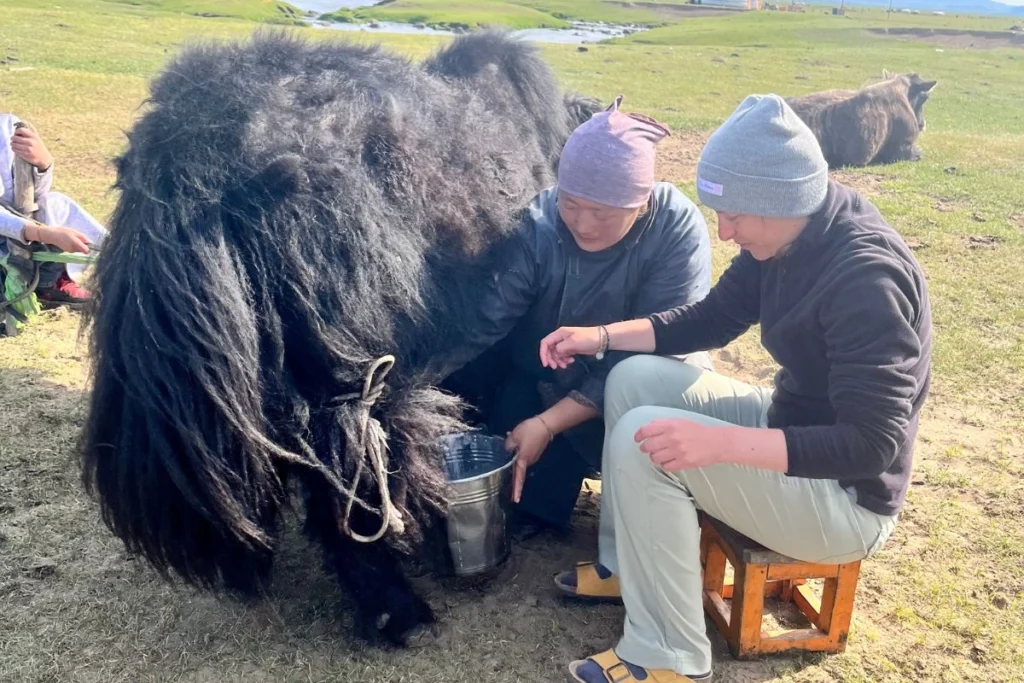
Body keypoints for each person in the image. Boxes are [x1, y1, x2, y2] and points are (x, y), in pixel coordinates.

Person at [538, 94, 932, 682]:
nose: (724, 233)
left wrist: (715, 445)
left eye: (736, 216)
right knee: (632, 378)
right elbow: (708, 319)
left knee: (643, 446)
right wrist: (599, 338)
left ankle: (669, 656)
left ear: (783, 198)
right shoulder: (788, 234)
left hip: (846, 501)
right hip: (789, 429)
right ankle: (628, 568)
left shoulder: (865, 281)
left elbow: (869, 445)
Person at [442, 96, 714, 534]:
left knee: (640, 393)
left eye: (602, 213)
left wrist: (549, 425)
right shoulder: (537, 223)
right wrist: (416, 377)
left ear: (641, 202)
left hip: (635, 380)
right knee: (522, 502)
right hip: (542, 375)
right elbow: (485, 322)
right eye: (570, 205)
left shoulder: (675, 230)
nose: (583, 225)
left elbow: (664, 342)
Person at [0, 113, 106, 305]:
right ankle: (42, 284)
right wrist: (42, 233)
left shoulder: (6, 126)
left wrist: (43, 164)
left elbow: (33, 195)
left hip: (17, 230)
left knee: (54, 203)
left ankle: (119, 256)